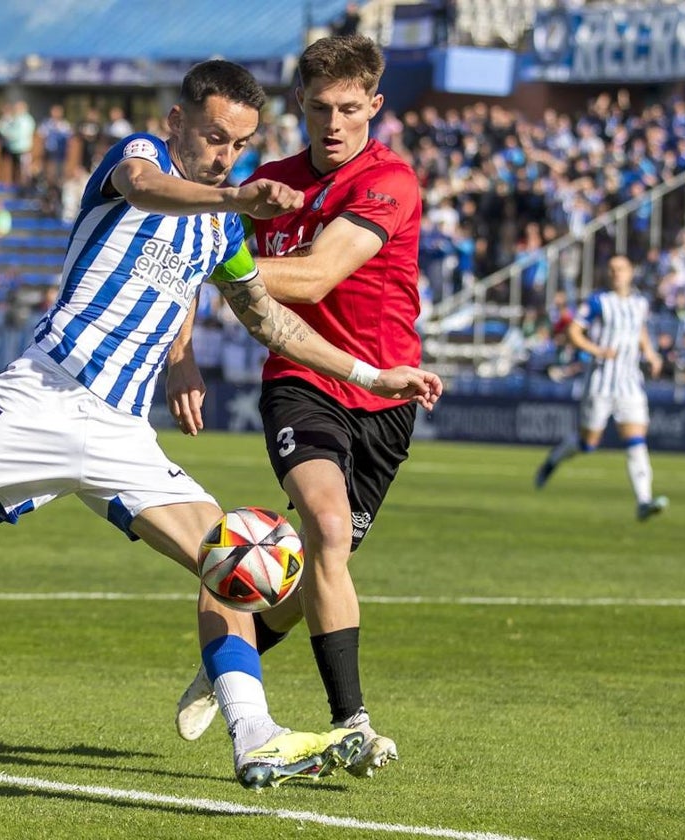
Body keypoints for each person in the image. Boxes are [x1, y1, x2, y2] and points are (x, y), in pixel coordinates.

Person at [0, 60, 442, 790]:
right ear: (177, 122)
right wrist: (230, 194)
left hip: (122, 431)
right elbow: (144, 190)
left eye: (240, 145)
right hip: (39, 397)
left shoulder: (223, 227)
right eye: (215, 136)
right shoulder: (138, 158)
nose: (225, 154)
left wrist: (372, 375)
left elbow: (271, 321)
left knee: (228, 560)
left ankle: (256, 737)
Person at [169, 35, 427, 779]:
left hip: (380, 394)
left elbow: (313, 278)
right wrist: (181, 352)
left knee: (322, 559)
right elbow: (190, 255)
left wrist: (225, 269)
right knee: (324, 522)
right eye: (320, 109)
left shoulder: (389, 182)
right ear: (301, 108)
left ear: (374, 106)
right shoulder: (268, 184)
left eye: (350, 109)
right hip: (302, 381)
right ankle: (354, 724)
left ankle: (232, 655)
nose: (335, 123)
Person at [534, 254, 669, 520]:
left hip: (630, 383)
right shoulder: (598, 302)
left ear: (631, 272)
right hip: (601, 381)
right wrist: (597, 350)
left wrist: (651, 354)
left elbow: (638, 330)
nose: (616, 273)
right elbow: (574, 331)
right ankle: (553, 460)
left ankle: (643, 501)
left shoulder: (640, 303)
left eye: (621, 268)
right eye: (612, 268)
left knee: (636, 441)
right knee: (588, 443)